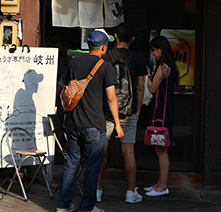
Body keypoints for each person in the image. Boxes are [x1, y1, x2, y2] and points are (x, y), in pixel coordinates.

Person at [56, 29, 123, 212]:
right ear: (104, 47)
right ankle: (87, 207)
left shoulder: (74, 62)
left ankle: (63, 205)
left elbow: (61, 88)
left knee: (71, 163)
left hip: (73, 123)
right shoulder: (105, 67)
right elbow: (111, 98)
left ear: (89, 45)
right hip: (94, 124)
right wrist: (117, 124)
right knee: (92, 167)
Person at [98, 22, 147, 203]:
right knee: (128, 152)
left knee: (101, 151)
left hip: (106, 110)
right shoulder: (138, 58)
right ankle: (131, 192)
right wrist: (138, 109)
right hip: (128, 110)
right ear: (132, 39)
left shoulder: (107, 55)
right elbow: (140, 87)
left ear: (116, 37)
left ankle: (96, 189)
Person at [144, 35, 179, 197]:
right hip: (166, 112)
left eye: (154, 50)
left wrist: (146, 75)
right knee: (160, 149)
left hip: (161, 114)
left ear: (161, 50)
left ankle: (163, 186)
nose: (153, 54)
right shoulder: (168, 67)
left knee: (161, 150)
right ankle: (159, 183)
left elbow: (152, 88)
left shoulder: (162, 67)